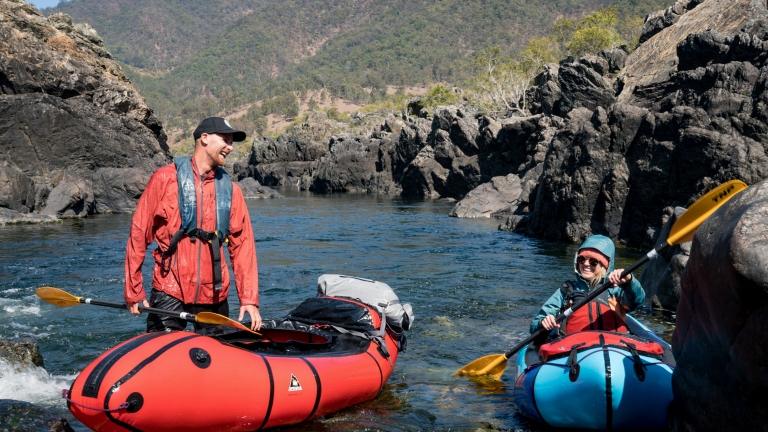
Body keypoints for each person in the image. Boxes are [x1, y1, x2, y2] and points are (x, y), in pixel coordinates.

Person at [124, 117, 261, 332]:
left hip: (214, 293)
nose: (230, 147)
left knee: (214, 361)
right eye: (225, 140)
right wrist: (134, 289)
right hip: (169, 289)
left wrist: (248, 299)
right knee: (163, 356)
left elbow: (243, 247)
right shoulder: (164, 179)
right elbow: (139, 234)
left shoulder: (233, 191)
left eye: (231, 142)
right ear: (204, 138)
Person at [530, 235, 645, 335]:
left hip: (612, 345)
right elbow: (534, 326)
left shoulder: (616, 290)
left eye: (593, 261)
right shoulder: (566, 290)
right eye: (581, 259)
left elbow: (637, 300)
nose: (585, 264)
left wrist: (630, 281)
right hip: (575, 348)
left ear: (604, 266)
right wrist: (543, 321)